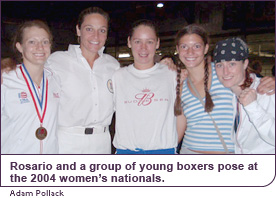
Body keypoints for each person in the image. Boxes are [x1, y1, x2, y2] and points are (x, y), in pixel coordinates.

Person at [175, 24, 275, 154]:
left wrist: (272, 81)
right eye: (184, 46)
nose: (190, 52)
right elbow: (178, 130)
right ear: (177, 49)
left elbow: (249, 80)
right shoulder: (180, 83)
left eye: (197, 46)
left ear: (205, 48)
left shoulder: (223, 74)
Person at [45, 7, 120, 154]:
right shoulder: (57, 61)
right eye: (89, 29)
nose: (96, 36)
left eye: (102, 30)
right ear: (78, 30)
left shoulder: (113, 66)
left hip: (102, 141)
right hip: (67, 141)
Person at [112, 19, 186, 154]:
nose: (143, 48)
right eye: (137, 41)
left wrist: (171, 147)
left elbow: (181, 114)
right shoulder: (117, 77)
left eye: (150, 42)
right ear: (129, 42)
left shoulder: (172, 74)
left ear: (157, 43)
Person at [1, 20, 60, 154]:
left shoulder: (55, 79)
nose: (40, 47)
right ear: (20, 47)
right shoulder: (5, 80)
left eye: (45, 42)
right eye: (32, 42)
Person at [214, 37, 275, 154]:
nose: (225, 72)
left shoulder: (267, 91)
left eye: (232, 64)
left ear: (245, 63)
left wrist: (253, 107)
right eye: (220, 65)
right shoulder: (226, 93)